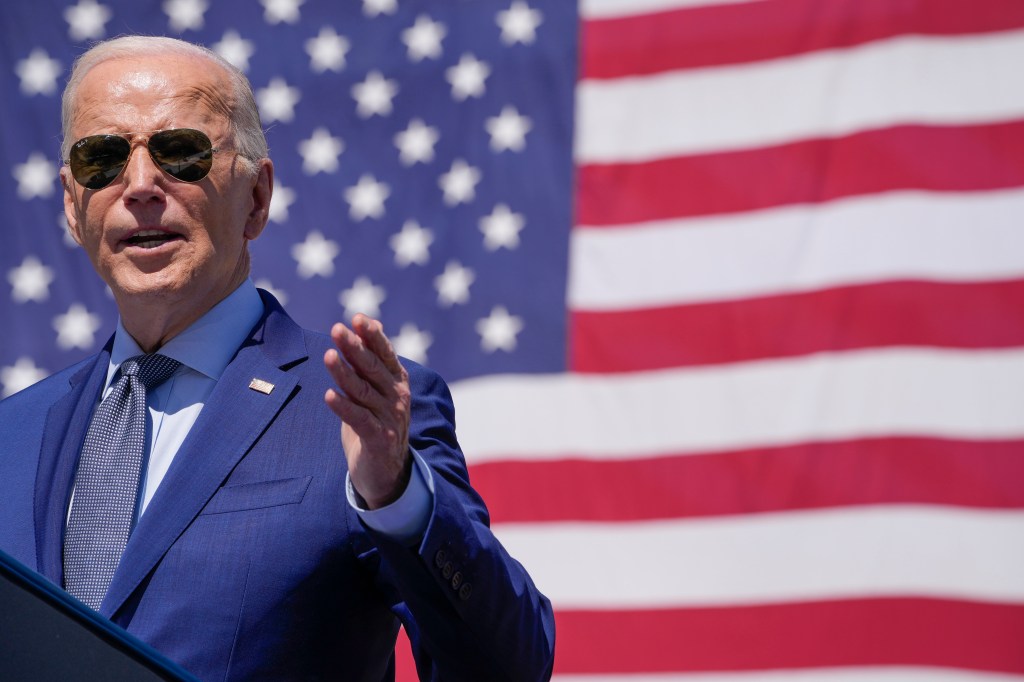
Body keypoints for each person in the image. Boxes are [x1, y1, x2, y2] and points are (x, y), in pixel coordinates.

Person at [0, 35, 554, 681]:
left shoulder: (354, 412)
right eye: (103, 157)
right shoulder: (13, 435)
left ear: (256, 198)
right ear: (73, 205)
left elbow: (508, 667)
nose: (142, 184)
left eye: (181, 153)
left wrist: (399, 499)